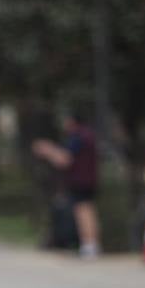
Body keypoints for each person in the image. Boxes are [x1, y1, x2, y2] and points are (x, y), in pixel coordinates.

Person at [32, 110, 99, 258]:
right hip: (86, 179)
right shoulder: (87, 135)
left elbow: (64, 159)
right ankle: (89, 244)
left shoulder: (78, 137)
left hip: (81, 180)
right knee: (84, 210)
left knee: (83, 211)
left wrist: (47, 150)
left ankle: (89, 245)